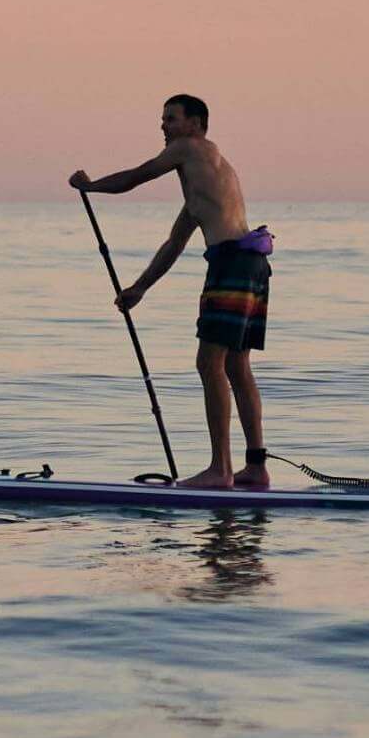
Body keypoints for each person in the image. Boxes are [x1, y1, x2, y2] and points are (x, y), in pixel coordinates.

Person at [69, 96, 273, 488]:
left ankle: (220, 471)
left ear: (195, 124)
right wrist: (138, 289)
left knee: (209, 363)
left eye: (171, 119)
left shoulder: (189, 148)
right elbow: (174, 244)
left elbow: (137, 176)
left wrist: (91, 186)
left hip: (232, 264)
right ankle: (256, 467)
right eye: (161, 119)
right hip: (252, 265)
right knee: (235, 365)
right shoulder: (207, 179)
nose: (163, 127)